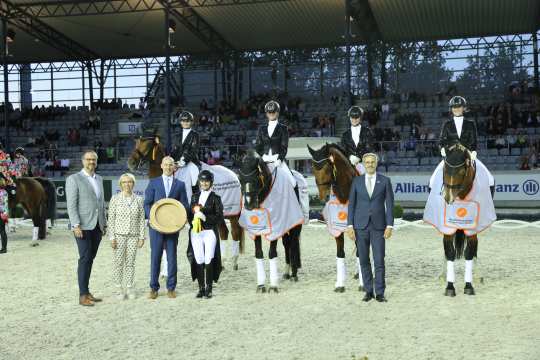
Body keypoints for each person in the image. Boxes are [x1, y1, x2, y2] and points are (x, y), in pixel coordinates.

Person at [347, 153, 394, 303]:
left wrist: (390, 225)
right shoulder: (356, 181)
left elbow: (390, 205)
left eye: (372, 162)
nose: (370, 164)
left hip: (379, 227)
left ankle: (380, 292)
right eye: (367, 162)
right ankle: (368, 291)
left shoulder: (385, 181)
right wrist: (349, 225)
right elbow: (351, 205)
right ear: (364, 164)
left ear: (376, 163)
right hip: (360, 227)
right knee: (364, 260)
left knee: (379, 260)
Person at [144, 156, 189, 300]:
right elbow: (147, 203)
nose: (168, 167)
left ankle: (171, 288)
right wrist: (151, 218)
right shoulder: (153, 183)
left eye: (171, 165)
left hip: (172, 228)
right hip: (156, 227)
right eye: (166, 164)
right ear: (161, 166)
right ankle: (154, 288)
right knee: (155, 257)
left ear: (174, 167)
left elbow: (185, 205)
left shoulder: (180, 185)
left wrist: (181, 219)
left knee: (172, 257)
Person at [66, 150, 107, 307]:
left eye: (94, 159)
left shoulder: (99, 179)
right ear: (83, 161)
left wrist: (104, 223)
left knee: (90, 258)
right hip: (82, 226)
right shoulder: (74, 179)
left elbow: (101, 203)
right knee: (84, 259)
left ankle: (87, 291)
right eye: (88, 159)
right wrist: (75, 224)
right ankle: (82, 295)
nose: (91, 162)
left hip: (97, 226)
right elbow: (71, 204)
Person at [430, 96, 495, 193]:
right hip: (451, 156)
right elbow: (442, 140)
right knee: (432, 181)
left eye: (459, 107)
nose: (456, 109)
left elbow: (473, 141)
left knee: (490, 179)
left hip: (467, 155)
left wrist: (473, 152)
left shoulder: (470, 124)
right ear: (451, 109)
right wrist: (442, 148)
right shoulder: (447, 124)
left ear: (464, 108)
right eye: (454, 107)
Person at [108, 173, 146, 300]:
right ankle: (119, 288)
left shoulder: (139, 199)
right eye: (124, 182)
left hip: (133, 236)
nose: (127, 184)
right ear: (120, 184)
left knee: (130, 263)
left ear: (133, 184)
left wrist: (142, 237)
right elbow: (111, 219)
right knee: (118, 263)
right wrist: (111, 237)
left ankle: (130, 287)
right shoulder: (115, 199)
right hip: (118, 236)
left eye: (129, 182)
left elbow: (141, 219)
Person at [187, 170, 223, 299]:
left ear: (211, 183)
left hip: (209, 232)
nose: (204, 183)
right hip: (196, 232)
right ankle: (201, 288)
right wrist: (191, 219)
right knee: (199, 258)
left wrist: (205, 217)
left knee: (208, 258)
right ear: (199, 182)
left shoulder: (216, 198)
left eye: (206, 181)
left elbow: (219, 217)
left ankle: (209, 288)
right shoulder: (194, 197)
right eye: (202, 181)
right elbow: (190, 213)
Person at [254, 100, 297, 190]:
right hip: (264, 160)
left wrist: (280, 159)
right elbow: (258, 146)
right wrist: (262, 156)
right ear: (266, 113)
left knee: (293, 182)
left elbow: (284, 147)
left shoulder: (283, 128)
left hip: (277, 160)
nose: (271, 114)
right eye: (269, 112)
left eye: (273, 112)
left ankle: (297, 202)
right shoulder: (261, 129)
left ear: (277, 113)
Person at [172, 111, 200, 196]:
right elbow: (174, 150)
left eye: (187, 121)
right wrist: (171, 160)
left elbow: (193, 150)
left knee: (194, 174)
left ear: (191, 122)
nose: (185, 123)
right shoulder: (177, 135)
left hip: (190, 161)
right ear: (180, 122)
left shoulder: (195, 135)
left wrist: (182, 162)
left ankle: (196, 193)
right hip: (177, 161)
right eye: (183, 121)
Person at [341, 106, 375, 173]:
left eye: (357, 117)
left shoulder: (367, 131)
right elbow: (344, 150)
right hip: (349, 164)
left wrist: (359, 158)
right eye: (352, 117)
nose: (354, 119)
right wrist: (350, 157)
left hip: (364, 163)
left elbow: (369, 148)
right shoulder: (345, 135)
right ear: (349, 118)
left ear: (360, 118)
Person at [0, 178, 8, 254]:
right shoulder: (5, 192)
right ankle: (4, 248)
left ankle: (4, 248)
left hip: (1, 213)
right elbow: (5, 203)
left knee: (2, 231)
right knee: (3, 231)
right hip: (4, 213)